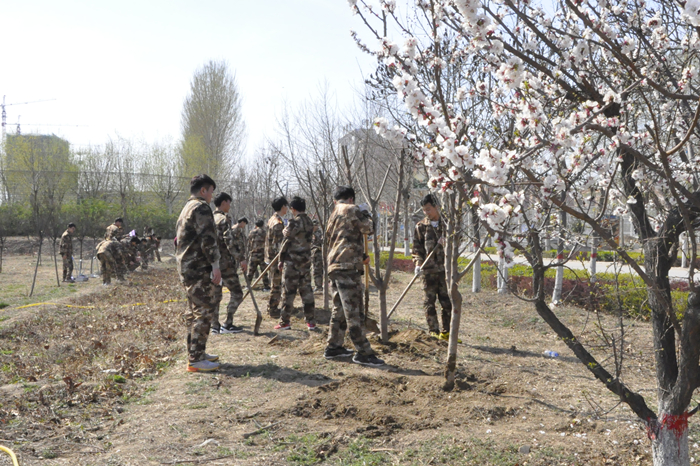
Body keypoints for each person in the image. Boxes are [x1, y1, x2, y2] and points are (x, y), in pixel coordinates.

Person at [323, 186, 385, 367]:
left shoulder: (333, 215)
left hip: (335, 265)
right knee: (353, 311)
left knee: (339, 309)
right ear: (351, 199)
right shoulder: (352, 209)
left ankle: (333, 346)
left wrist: (360, 255)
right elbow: (369, 228)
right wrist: (366, 213)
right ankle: (363, 352)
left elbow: (342, 239)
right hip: (346, 267)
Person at [176, 174, 222, 373]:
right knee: (203, 311)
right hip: (198, 268)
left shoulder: (186, 208)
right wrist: (215, 264)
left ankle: (197, 352)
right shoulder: (201, 207)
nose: (212, 196)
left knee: (193, 312)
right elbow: (208, 239)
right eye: (211, 191)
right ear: (203, 190)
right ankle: (195, 359)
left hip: (187, 267)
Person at [413, 194, 452, 340]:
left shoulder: (447, 224)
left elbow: (458, 242)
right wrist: (418, 264)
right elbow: (417, 249)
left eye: (429, 209)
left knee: (446, 302)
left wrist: (448, 241)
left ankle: (446, 332)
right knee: (429, 302)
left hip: (445, 271)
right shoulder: (421, 226)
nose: (426, 213)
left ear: (436, 207)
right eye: (424, 210)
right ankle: (433, 331)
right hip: (428, 270)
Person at [275, 196, 316, 330]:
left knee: (288, 292)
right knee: (307, 292)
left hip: (292, 262)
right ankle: (311, 321)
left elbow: (286, 241)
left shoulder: (294, 222)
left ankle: (285, 322)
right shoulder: (310, 222)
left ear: (293, 209)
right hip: (305, 261)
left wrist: (281, 259)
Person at [211, 193, 247, 334]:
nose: (230, 206)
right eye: (229, 203)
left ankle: (214, 326)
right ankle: (228, 323)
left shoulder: (209, 218)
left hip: (213, 264)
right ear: (224, 202)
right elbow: (229, 242)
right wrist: (241, 258)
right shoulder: (223, 220)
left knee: (216, 295)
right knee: (237, 292)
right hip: (225, 264)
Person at [265, 196, 288, 318]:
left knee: (275, 283)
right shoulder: (278, 223)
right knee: (276, 284)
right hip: (275, 258)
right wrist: (282, 259)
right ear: (283, 206)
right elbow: (279, 244)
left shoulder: (272, 219)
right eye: (286, 206)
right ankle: (273, 308)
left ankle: (272, 307)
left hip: (270, 257)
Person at [247, 220, 270, 290]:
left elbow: (249, 243)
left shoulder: (251, 232)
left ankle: (248, 286)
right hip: (262, 254)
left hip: (253, 254)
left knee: (250, 271)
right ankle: (266, 286)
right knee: (264, 272)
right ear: (263, 225)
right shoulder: (265, 233)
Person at [311, 219, 324, 292]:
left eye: (315, 225)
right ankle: (317, 285)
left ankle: (318, 286)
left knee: (317, 270)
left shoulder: (318, 233)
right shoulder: (313, 233)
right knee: (315, 270)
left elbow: (320, 244)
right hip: (314, 254)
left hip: (318, 254)